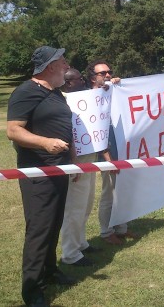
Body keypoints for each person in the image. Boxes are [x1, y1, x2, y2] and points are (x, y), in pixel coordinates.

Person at [7, 46, 75, 307]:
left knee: (54, 222)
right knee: (39, 229)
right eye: (62, 60)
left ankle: (49, 271)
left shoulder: (55, 93)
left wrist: (73, 160)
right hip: (38, 172)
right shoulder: (26, 91)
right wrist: (45, 143)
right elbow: (13, 131)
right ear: (50, 66)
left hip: (60, 168)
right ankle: (32, 289)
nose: (67, 64)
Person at [89, 59, 139, 245]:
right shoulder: (89, 98)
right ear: (93, 78)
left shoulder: (113, 92)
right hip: (106, 154)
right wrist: (107, 158)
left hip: (122, 151)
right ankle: (105, 231)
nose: (108, 75)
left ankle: (122, 228)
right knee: (109, 193)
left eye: (109, 72)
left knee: (123, 191)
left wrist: (120, 86)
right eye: (103, 73)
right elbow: (96, 131)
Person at [59, 68, 101, 267]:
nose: (83, 81)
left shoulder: (86, 98)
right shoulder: (63, 100)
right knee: (74, 206)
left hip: (90, 156)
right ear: (68, 82)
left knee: (86, 202)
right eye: (79, 79)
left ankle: (81, 242)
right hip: (77, 158)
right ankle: (70, 252)